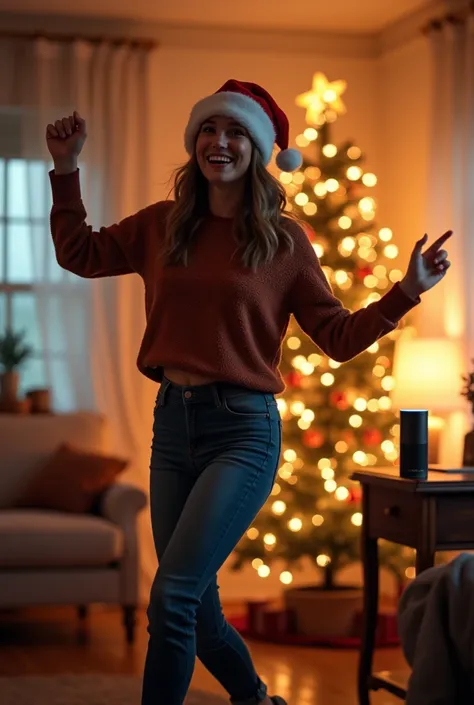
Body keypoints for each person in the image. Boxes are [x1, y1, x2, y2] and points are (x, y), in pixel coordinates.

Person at [45, 79, 452, 705]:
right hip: (171, 427)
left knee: (172, 594)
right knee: (197, 601)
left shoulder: (284, 241)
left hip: (243, 432)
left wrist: (406, 291)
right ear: (195, 143)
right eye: (210, 129)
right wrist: (67, 167)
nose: (220, 142)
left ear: (258, 151)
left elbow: (338, 337)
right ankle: (257, 700)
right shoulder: (163, 226)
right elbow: (80, 252)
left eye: (236, 133)